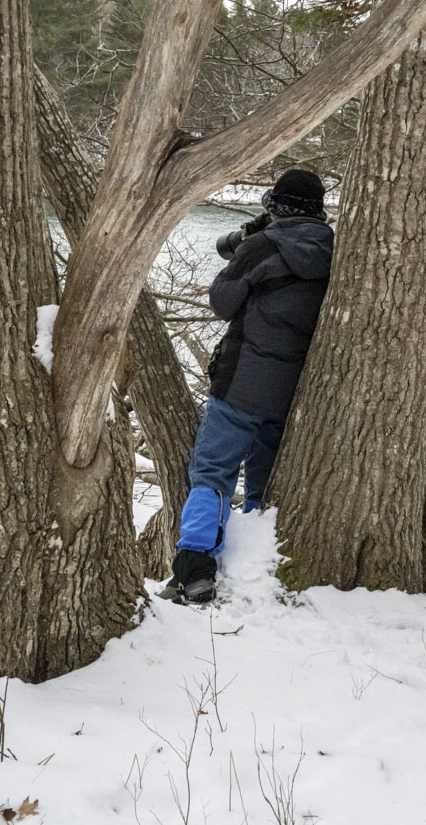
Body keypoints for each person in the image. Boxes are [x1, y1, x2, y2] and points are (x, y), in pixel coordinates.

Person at [159, 169, 334, 604]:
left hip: (240, 384)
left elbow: (222, 302)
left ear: (275, 205)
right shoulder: (336, 249)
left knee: (212, 473)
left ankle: (195, 571)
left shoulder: (262, 245)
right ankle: (257, 572)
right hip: (293, 391)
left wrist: (251, 247)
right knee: (265, 484)